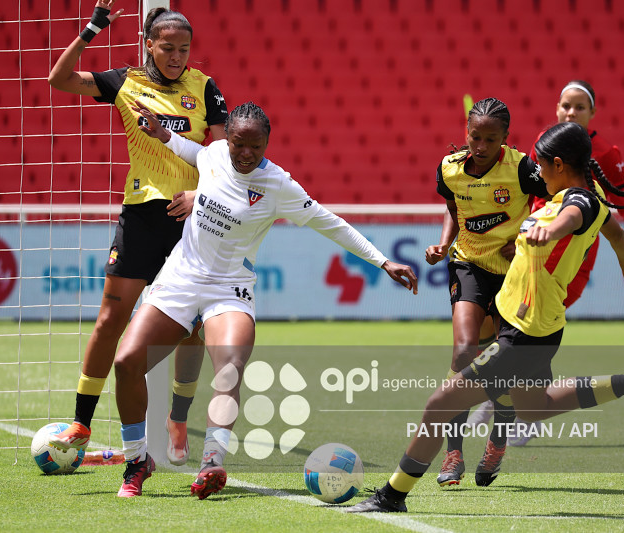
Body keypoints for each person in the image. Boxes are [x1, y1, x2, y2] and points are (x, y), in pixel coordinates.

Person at [345, 121, 624, 513]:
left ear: (559, 165)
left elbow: (575, 216)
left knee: (439, 404)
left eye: (541, 166)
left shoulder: (576, 203)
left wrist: (552, 231)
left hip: (523, 335)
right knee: (536, 408)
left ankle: (392, 496)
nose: (536, 172)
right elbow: (613, 229)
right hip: (539, 327)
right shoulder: (587, 197)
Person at [111, 100, 418, 498]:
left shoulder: (278, 185)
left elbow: (330, 223)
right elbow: (198, 153)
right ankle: (137, 463)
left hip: (230, 289)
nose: (246, 154)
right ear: (230, 139)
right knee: (126, 362)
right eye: (239, 144)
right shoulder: (217, 153)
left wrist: (382, 261)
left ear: (267, 143)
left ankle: (212, 463)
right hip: (180, 279)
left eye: (256, 146)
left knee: (229, 367)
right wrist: (163, 134)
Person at [46, 0, 228, 467]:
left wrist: (200, 197)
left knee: (193, 328)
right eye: (168, 48)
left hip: (190, 221)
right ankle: (82, 421)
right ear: (149, 44)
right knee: (111, 318)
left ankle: (178, 418)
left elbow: (224, 158)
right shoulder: (126, 81)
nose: (176, 57)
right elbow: (59, 79)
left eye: (184, 49)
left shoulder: (204, 88)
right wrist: (91, 29)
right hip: (141, 214)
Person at [483, 80, 624, 449]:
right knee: (502, 322)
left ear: (592, 114)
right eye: (565, 106)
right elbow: (529, 194)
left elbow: (622, 210)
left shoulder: (603, 157)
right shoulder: (547, 143)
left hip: (561, 257)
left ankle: (513, 408)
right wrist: (519, 233)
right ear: (556, 109)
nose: (571, 113)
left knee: (527, 331)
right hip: (530, 248)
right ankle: (508, 401)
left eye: (579, 107)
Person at [424, 98, 549, 487]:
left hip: (513, 273)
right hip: (469, 264)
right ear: (466, 131)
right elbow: (452, 207)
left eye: (490, 139)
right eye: (474, 136)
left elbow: (553, 201)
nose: (480, 145)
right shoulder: (449, 168)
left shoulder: (524, 168)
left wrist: (526, 233)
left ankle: (497, 444)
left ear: (505, 139)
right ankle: (453, 454)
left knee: (501, 370)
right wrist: (444, 244)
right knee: (464, 352)